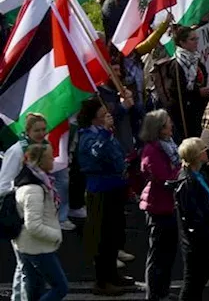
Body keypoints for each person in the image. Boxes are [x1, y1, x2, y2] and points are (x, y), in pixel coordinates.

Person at [76, 100, 128, 296]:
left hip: (115, 187)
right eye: (103, 112)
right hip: (99, 189)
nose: (108, 114)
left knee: (114, 234)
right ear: (94, 116)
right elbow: (97, 153)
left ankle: (113, 274)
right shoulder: (87, 136)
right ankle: (101, 281)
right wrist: (106, 132)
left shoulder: (106, 134)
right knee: (101, 237)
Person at [172, 137, 209, 301]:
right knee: (192, 282)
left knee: (200, 281)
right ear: (197, 155)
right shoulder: (186, 181)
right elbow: (193, 216)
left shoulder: (200, 176)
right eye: (203, 149)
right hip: (195, 241)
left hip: (206, 237)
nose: (206, 151)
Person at [14, 142, 67, 301]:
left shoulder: (38, 182)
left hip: (28, 245)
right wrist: (56, 235)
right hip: (37, 246)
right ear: (40, 161)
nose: (53, 160)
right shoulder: (34, 190)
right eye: (50, 158)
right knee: (60, 287)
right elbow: (33, 225)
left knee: (34, 288)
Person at [137, 110, 181, 301]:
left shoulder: (169, 146)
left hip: (170, 205)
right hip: (158, 206)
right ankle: (153, 294)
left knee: (169, 253)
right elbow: (163, 178)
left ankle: (163, 290)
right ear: (159, 129)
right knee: (157, 255)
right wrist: (182, 169)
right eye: (167, 124)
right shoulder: (151, 151)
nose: (171, 126)